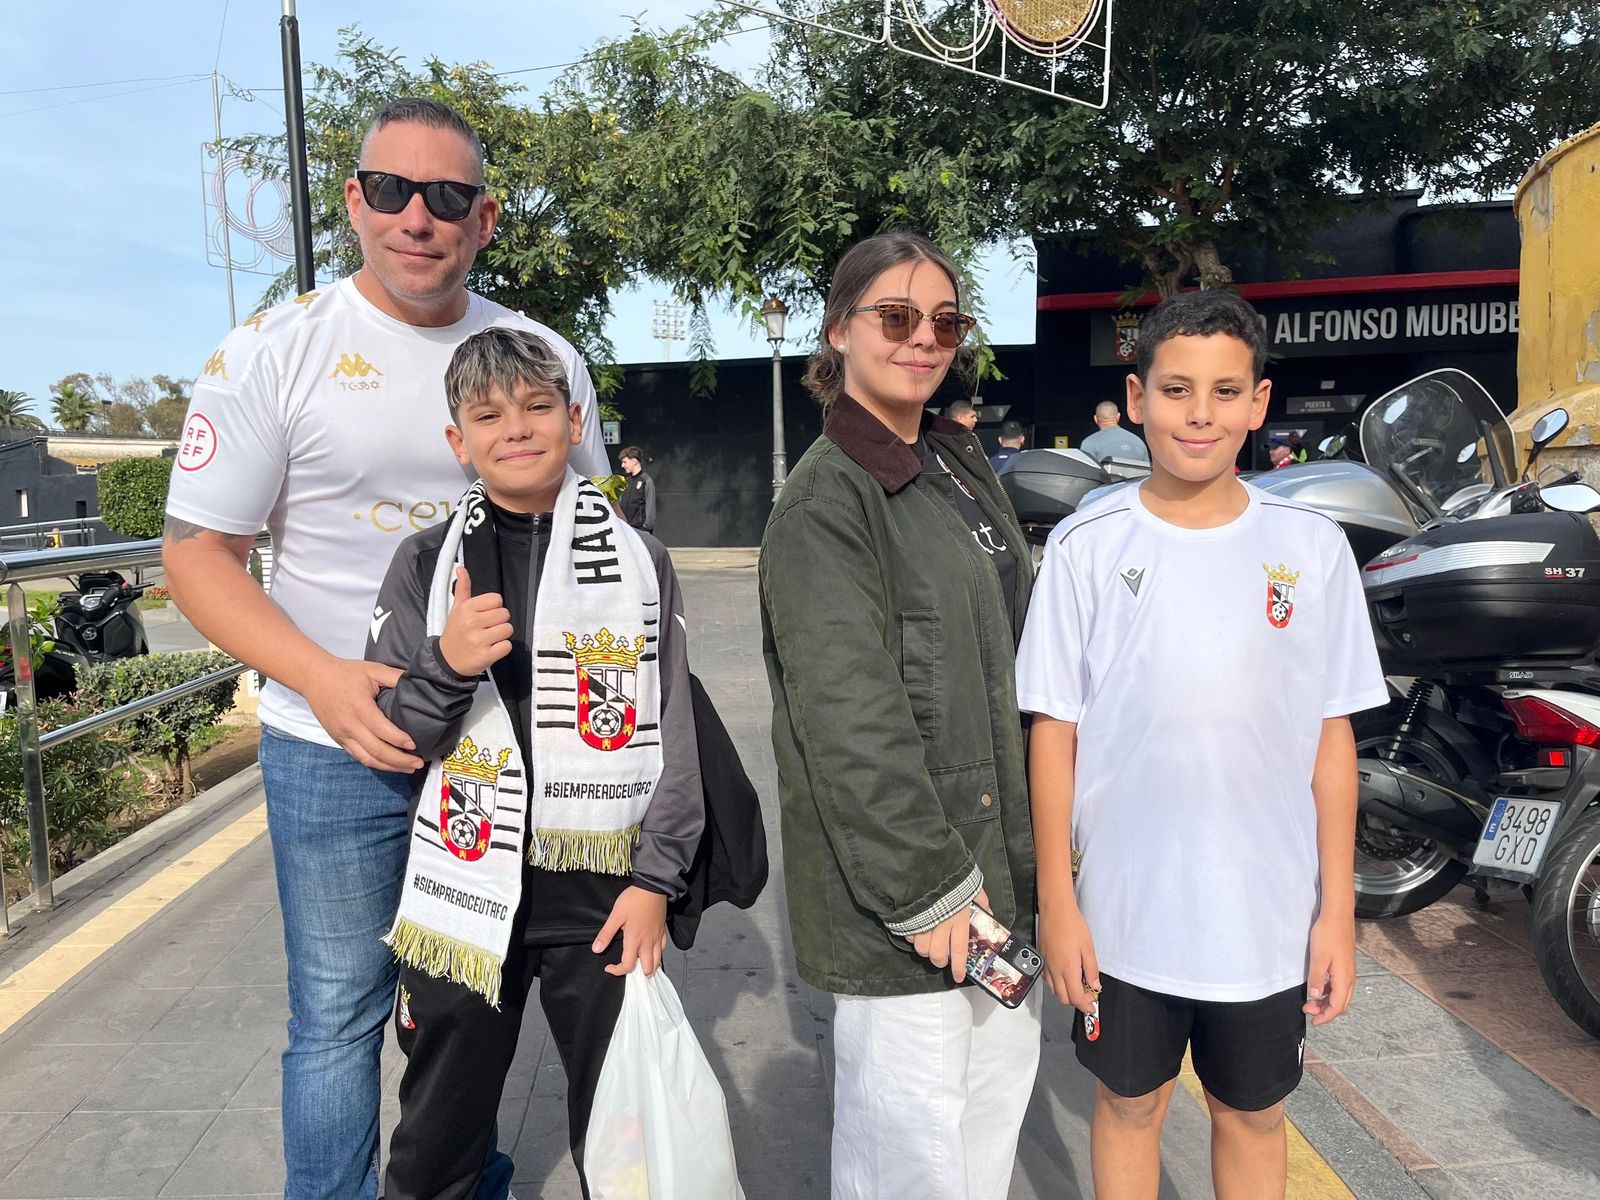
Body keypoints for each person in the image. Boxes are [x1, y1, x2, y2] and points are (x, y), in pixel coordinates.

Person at [161, 97, 609, 1200]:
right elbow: (196, 556)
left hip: (501, 749)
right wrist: (318, 677)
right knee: (338, 1015)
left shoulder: (544, 358)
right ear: (355, 202)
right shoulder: (272, 350)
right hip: (334, 743)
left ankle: (458, 1177)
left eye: (449, 196)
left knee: (474, 990)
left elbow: (589, 547)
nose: (421, 217)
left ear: (486, 217)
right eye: (394, 191)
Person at [1016, 289, 1386, 1200]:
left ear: (1258, 405)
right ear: (1137, 398)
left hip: (1263, 919)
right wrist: (1058, 902)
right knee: (1131, 1108)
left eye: (1226, 392)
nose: (1201, 414)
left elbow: (1331, 741)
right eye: (1178, 390)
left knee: (1253, 1116)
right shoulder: (1085, 546)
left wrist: (1335, 909)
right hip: (1126, 914)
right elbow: (1053, 731)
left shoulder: (1311, 548)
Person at [369, 327, 701, 1199]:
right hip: (463, 885)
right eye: (488, 414)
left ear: (572, 415)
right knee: (436, 1136)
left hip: (601, 890)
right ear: (459, 441)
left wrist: (657, 881)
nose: (515, 428)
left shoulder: (640, 560)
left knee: (626, 1138)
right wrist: (447, 662)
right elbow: (402, 734)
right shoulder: (422, 564)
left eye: (536, 406)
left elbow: (675, 733)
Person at [760, 232, 1040, 1200]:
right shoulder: (826, 503)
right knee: (908, 1167)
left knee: (981, 1146)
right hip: (909, 910)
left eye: (945, 321)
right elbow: (850, 725)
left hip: (998, 878)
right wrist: (929, 889)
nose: (924, 338)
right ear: (838, 331)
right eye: (895, 317)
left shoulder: (953, 459)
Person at [1079, 399, 1151, 466]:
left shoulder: (1090, 443)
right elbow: (1148, 473)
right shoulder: (1138, 441)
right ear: (1118, 416)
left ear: (1095, 419)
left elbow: (1085, 474)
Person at [618, 444, 656, 532]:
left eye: (624, 462)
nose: (622, 466)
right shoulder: (625, 482)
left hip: (641, 530)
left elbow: (650, 508)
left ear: (634, 461)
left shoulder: (646, 481)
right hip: (626, 530)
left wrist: (646, 528)